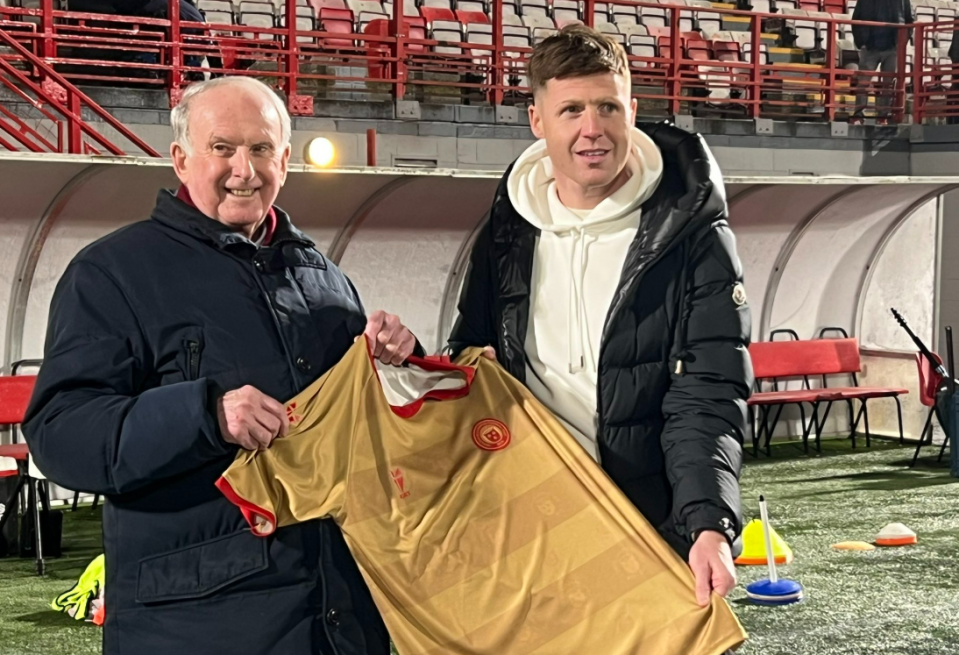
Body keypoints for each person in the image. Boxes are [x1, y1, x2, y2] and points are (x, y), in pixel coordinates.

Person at [23, 76, 414, 655]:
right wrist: (204, 414)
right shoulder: (113, 273)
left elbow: (368, 431)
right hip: (193, 625)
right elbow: (61, 435)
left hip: (337, 618)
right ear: (180, 159)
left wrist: (399, 362)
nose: (244, 169)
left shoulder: (323, 277)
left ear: (285, 159)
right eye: (222, 148)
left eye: (261, 149)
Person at [448, 25, 752, 609]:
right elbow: (472, 350)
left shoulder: (693, 237)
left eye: (608, 106)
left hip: (653, 522)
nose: (593, 129)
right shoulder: (507, 231)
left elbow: (709, 393)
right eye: (571, 110)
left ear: (632, 111)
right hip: (534, 523)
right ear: (537, 120)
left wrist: (707, 523)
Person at [851, 0, 913, 125]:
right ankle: (858, 115)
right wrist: (861, 42)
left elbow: (909, 20)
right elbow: (856, 19)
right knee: (863, 82)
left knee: (888, 85)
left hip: (892, 47)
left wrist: (901, 42)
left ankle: (883, 116)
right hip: (870, 46)